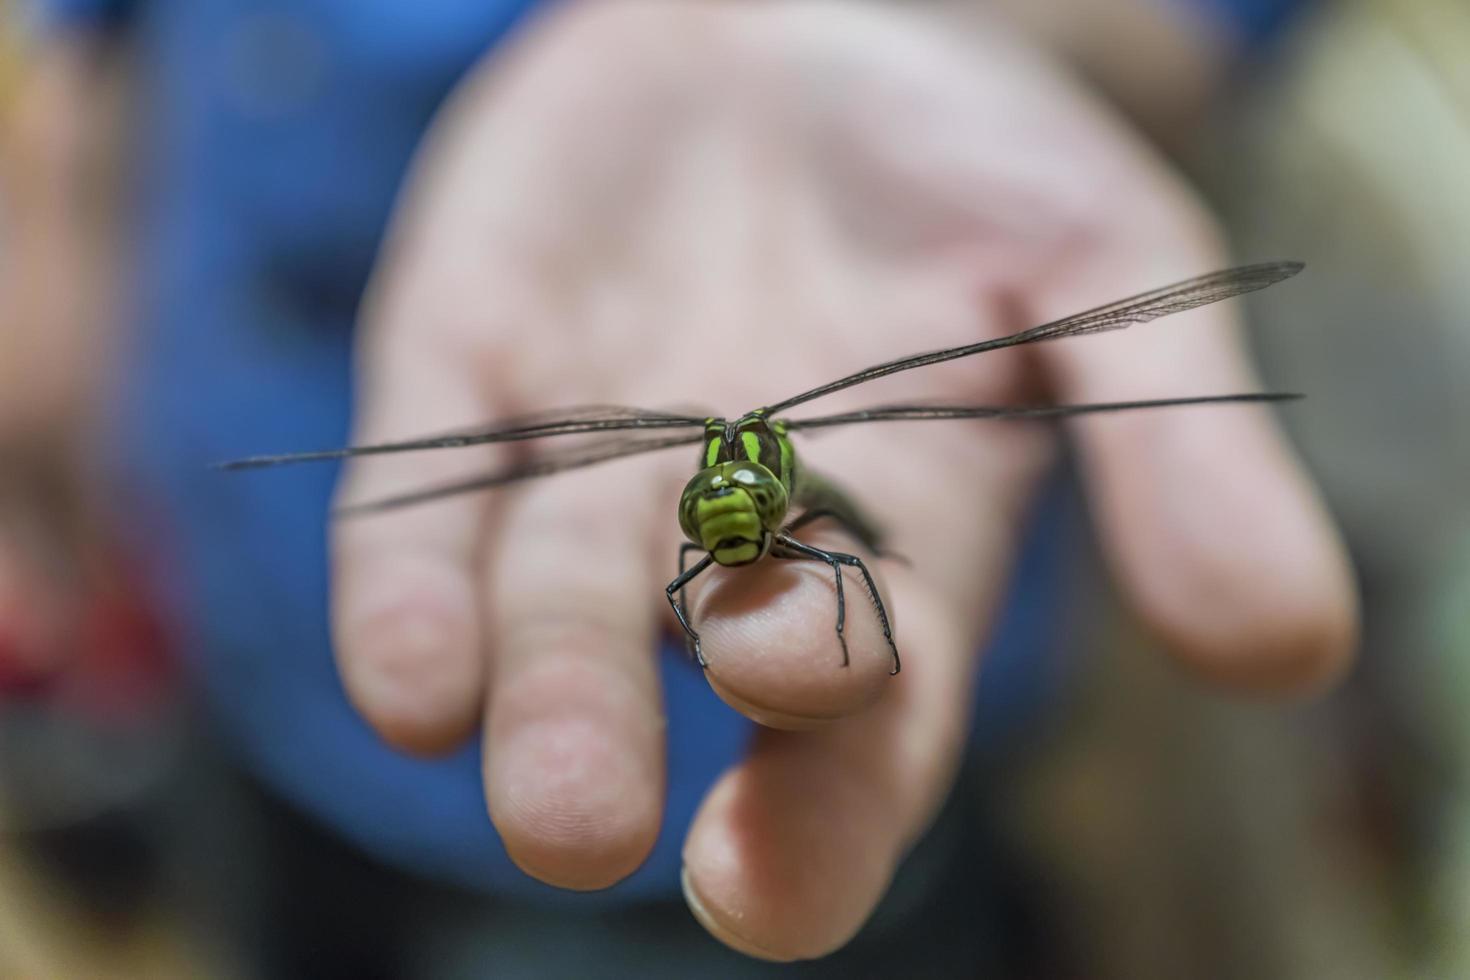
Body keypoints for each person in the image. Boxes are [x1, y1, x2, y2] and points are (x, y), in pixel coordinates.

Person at [4, 0, 1356, 965]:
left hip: (790, 810)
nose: (743, 493)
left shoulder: (785, 485)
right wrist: (66, 139)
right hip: (255, 572)